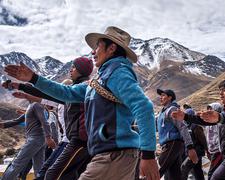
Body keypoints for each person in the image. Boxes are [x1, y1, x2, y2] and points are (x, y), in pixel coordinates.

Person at [4, 26, 159, 180]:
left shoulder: (117, 72)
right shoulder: (99, 80)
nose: (93, 51)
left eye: (97, 46)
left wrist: (148, 154)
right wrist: (33, 79)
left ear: (111, 48)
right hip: (107, 153)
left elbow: (143, 107)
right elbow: (66, 93)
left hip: (115, 154)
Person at [4, 58, 94, 180]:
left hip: (79, 142)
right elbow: (46, 96)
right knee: (54, 172)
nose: (71, 70)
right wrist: (22, 87)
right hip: (73, 140)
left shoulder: (83, 89)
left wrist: (32, 79)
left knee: (52, 174)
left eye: (74, 67)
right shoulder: (74, 93)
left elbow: (52, 94)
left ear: (81, 70)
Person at [0, 102, 56, 180]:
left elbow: (44, 122)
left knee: (17, 163)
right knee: (39, 166)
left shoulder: (36, 105)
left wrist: (49, 138)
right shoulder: (33, 107)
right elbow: (17, 121)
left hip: (35, 139)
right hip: (39, 140)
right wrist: (3, 125)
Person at [156, 89, 198, 180]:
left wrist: (190, 147)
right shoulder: (162, 112)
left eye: (163, 95)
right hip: (169, 145)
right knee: (174, 175)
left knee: (159, 169)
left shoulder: (172, 109)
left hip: (173, 144)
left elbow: (182, 127)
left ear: (170, 97)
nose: (160, 97)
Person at [181, 104, 206, 180]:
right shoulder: (186, 126)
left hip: (197, 152)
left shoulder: (196, 127)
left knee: (183, 169)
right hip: (191, 153)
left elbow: (203, 140)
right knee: (197, 170)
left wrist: (207, 150)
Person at [205, 103, 223, 180]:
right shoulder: (207, 124)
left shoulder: (219, 124)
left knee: (211, 174)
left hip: (218, 151)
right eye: (208, 109)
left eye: (211, 109)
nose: (208, 111)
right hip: (211, 151)